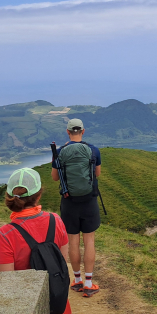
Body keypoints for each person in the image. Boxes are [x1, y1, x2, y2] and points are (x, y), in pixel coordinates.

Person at [0, 168, 75, 314]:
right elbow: (63, 261)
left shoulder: (5, 234)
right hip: (58, 306)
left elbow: (7, 282)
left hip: (27, 312)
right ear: (39, 195)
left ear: (9, 197)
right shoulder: (56, 220)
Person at [51, 118, 102, 297]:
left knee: (73, 241)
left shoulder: (60, 152)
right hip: (89, 201)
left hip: (69, 201)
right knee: (89, 241)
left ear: (67, 132)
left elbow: (55, 178)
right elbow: (97, 174)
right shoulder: (93, 150)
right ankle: (88, 283)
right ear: (83, 131)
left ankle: (77, 280)